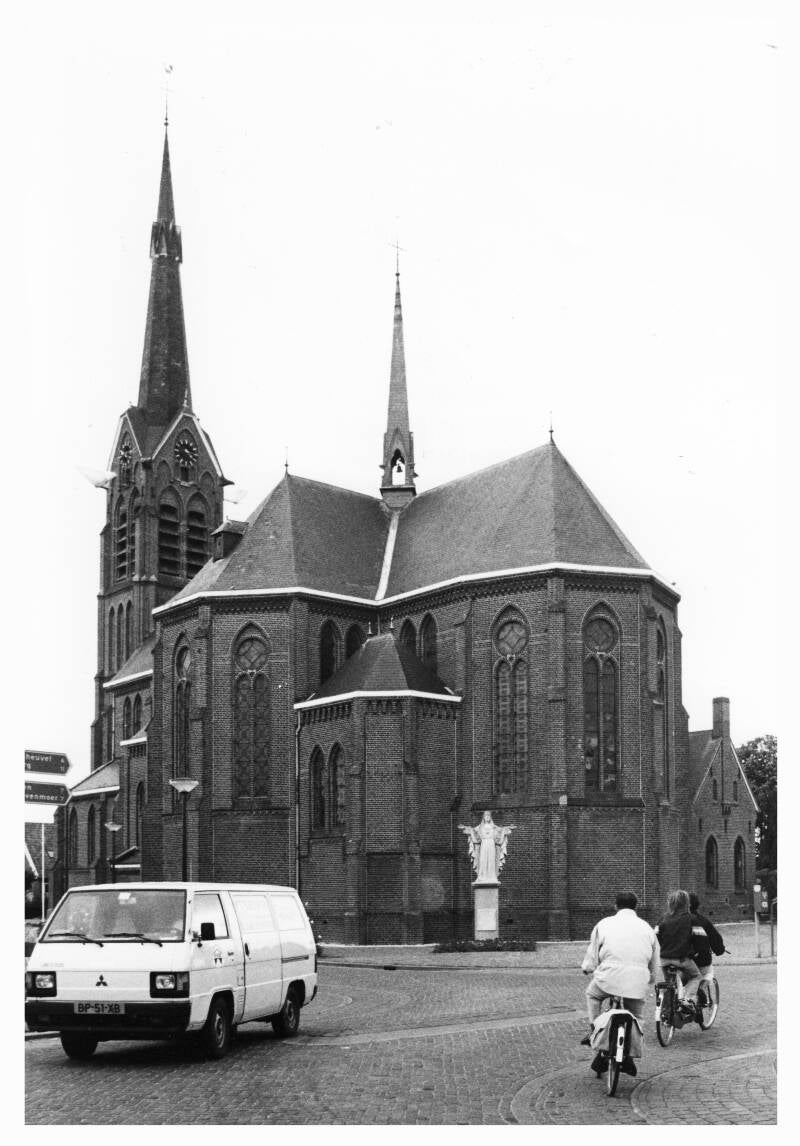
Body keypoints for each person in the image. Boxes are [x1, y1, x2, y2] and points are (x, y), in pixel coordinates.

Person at [581, 890, 660, 1077]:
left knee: (592, 995)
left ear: (615, 906)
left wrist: (588, 968)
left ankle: (594, 1030)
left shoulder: (604, 924)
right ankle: (630, 1053)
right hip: (637, 981)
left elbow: (592, 953)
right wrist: (650, 978)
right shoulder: (647, 928)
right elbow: (655, 960)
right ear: (636, 907)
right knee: (636, 1015)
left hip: (608, 978)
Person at [654, 889, 705, 1017]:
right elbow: (701, 939)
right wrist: (698, 952)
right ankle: (688, 1001)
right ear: (686, 903)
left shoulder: (663, 919)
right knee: (696, 977)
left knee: (669, 984)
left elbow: (655, 937)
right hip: (682, 958)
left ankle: (665, 1013)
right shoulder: (691, 919)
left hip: (664, 959)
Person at [688, 891, 725, 978]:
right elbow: (715, 938)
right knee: (707, 974)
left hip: (673, 958)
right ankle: (702, 990)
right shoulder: (702, 921)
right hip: (699, 960)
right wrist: (719, 950)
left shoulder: (673, 919)